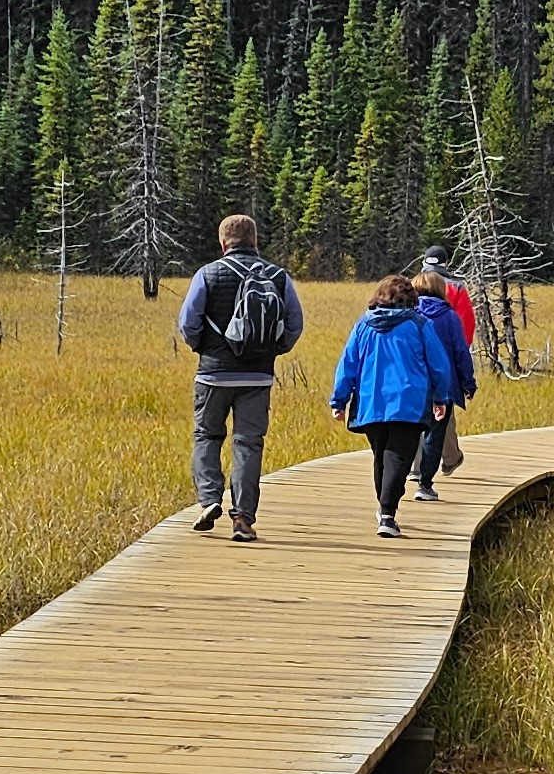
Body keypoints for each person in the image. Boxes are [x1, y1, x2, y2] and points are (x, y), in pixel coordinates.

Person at [175, 212, 301, 542]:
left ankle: (210, 499)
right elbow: (294, 325)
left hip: (213, 374)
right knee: (248, 444)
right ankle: (243, 519)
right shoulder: (278, 276)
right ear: (255, 241)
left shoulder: (208, 274)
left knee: (206, 436)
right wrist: (272, 350)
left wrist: (203, 347)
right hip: (257, 377)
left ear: (223, 243)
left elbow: (188, 323)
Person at [329, 271, 451, 537]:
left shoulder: (363, 325)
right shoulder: (419, 325)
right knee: (398, 457)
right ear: (411, 299)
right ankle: (387, 514)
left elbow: (347, 364)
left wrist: (339, 400)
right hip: (409, 403)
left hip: (371, 403)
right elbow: (439, 365)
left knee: (381, 456)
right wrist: (441, 397)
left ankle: (384, 508)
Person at [412, 251, 478, 492]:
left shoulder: (413, 287)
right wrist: (464, 372)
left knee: (417, 415)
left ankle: (416, 467)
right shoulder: (457, 289)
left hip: (416, 368)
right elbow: (466, 328)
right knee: (442, 417)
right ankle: (446, 461)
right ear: (446, 263)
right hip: (447, 362)